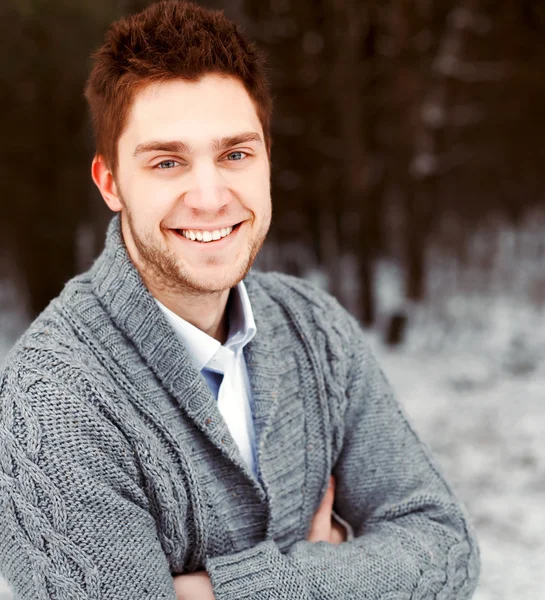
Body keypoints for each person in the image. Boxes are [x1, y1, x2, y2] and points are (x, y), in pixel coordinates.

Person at [0, 1, 480, 598]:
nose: (209, 197)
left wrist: (225, 589)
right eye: (167, 161)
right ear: (110, 182)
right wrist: (344, 573)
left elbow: (446, 547)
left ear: (267, 160)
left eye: (235, 154)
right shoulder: (54, 403)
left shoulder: (316, 327)